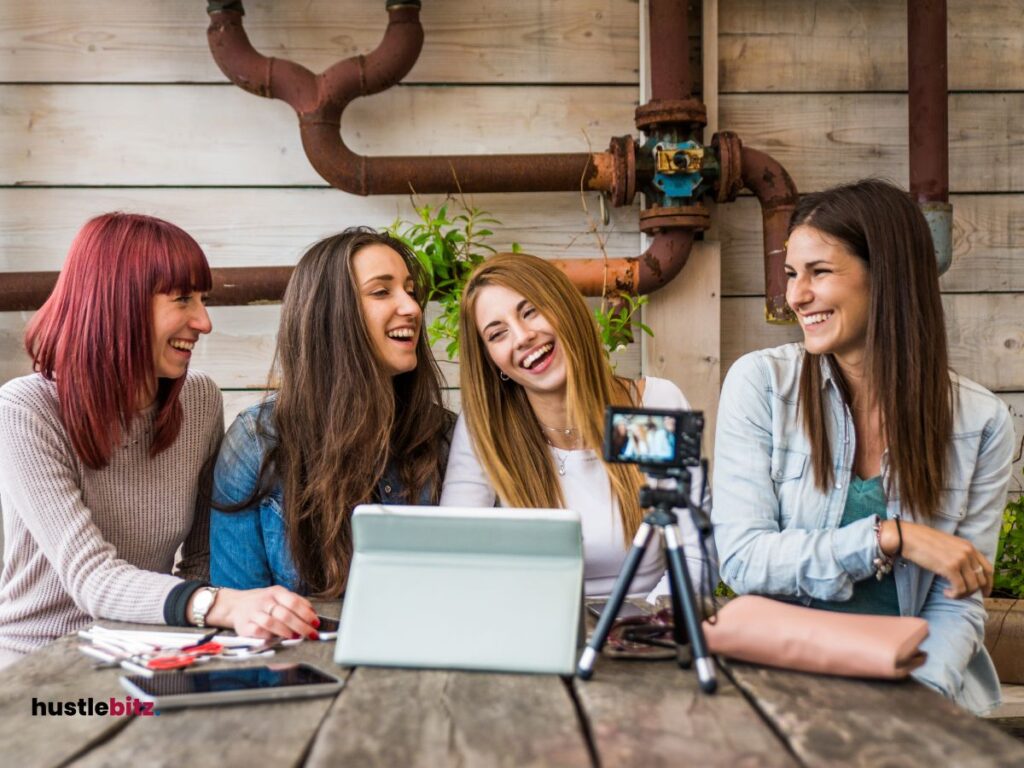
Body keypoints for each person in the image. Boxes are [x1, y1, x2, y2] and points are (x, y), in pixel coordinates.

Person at [712, 179, 1013, 714]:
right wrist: (888, 538)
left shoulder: (981, 420)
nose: (795, 295)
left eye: (819, 272)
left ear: (887, 277)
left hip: (919, 684)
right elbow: (743, 559)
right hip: (789, 680)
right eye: (791, 274)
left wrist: (916, 702)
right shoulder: (761, 385)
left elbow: (960, 602)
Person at [0, 213, 317, 671]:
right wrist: (224, 606)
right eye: (183, 299)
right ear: (118, 303)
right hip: (38, 667)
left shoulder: (200, 399)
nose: (203, 322)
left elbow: (201, 559)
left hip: (147, 653)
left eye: (203, 300)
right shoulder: (25, 410)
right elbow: (92, 579)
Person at [440, 252, 712, 600]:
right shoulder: (486, 429)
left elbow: (695, 555)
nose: (522, 336)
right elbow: (456, 560)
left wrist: (639, 630)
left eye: (530, 311)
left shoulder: (653, 405)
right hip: (533, 632)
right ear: (494, 363)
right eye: (497, 334)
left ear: (565, 308)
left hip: (648, 634)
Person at [210, 228, 453, 597]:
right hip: (302, 655)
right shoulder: (256, 443)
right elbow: (239, 618)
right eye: (382, 291)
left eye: (411, 290)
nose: (413, 308)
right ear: (330, 315)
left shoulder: (448, 439)